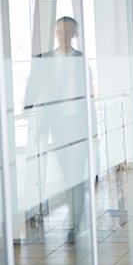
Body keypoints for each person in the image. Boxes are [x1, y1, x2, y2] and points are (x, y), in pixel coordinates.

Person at [24, 16, 93, 243]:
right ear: (56, 33)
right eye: (60, 33)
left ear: (74, 34)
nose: (64, 37)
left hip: (79, 124)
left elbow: (89, 96)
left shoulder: (81, 60)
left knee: (76, 172)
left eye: (68, 33)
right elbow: (32, 88)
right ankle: (75, 217)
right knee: (68, 173)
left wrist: (94, 128)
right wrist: (25, 113)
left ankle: (74, 222)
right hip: (58, 125)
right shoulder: (45, 60)